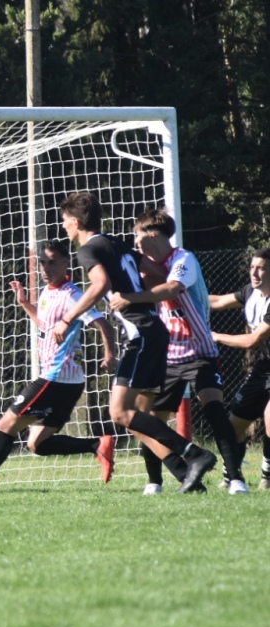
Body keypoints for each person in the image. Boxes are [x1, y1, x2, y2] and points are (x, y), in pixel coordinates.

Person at [54, 192, 217, 492]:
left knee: (120, 413)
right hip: (153, 332)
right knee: (136, 417)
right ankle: (187, 477)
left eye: (65, 222)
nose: (64, 227)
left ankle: (196, 455)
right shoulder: (117, 243)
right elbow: (156, 272)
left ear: (76, 222)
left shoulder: (89, 250)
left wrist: (68, 318)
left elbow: (100, 283)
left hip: (142, 335)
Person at [0, 239, 119, 490]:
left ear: (67, 262)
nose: (45, 269)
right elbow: (45, 325)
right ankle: (96, 445)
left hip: (55, 378)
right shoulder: (47, 292)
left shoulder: (73, 296)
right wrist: (26, 304)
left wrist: (109, 354)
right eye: (42, 263)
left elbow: (104, 324)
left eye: (52, 263)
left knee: (5, 425)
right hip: (68, 382)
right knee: (37, 444)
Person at [109, 210, 247, 494]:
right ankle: (154, 481)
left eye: (137, 235)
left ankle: (235, 479)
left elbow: (172, 289)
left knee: (214, 410)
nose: (135, 242)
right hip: (166, 356)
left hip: (199, 351)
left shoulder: (184, 259)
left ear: (152, 235)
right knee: (151, 420)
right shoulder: (146, 266)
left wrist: (130, 298)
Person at [208, 247, 270, 489]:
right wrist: (186, 294)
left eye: (261, 268)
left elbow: (251, 340)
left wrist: (215, 336)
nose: (254, 273)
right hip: (263, 367)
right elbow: (219, 301)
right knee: (234, 425)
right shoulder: (250, 293)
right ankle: (231, 475)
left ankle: (267, 475)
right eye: (252, 267)